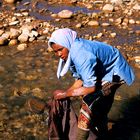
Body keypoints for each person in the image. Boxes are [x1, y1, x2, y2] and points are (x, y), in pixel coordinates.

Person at [47, 28, 135, 140]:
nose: (59, 54)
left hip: (115, 71)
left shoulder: (80, 53)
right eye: (55, 51)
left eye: (60, 49)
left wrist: (66, 95)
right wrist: (67, 93)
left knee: (86, 109)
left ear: (67, 44)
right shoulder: (71, 49)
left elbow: (91, 87)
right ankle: (104, 134)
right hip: (103, 71)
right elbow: (81, 79)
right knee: (98, 110)